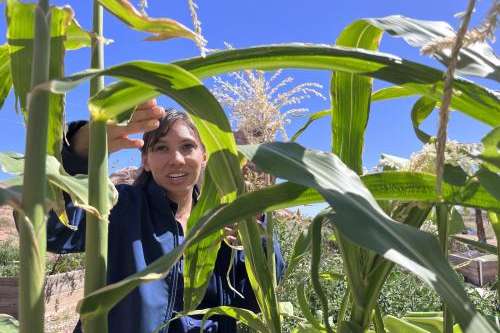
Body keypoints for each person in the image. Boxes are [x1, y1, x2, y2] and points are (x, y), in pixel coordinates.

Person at [47, 100, 285, 333]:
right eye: (161, 148)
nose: (176, 159)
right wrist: (79, 151)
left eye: (187, 146)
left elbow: (252, 300)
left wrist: (259, 235)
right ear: (146, 160)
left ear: (204, 156)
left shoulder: (223, 220)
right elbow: (51, 231)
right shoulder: (119, 206)